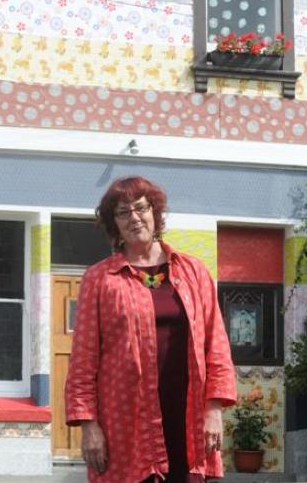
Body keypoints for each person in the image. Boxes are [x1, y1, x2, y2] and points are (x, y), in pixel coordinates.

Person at [65, 176, 237, 483]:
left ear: (155, 212)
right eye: (122, 212)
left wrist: (214, 410)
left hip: (187, 417)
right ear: (113, 224)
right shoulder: (100, 279)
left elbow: (217, 345)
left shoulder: (193, 272)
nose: (134, 218)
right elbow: (83, 359)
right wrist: (89, 426)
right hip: (125, 422)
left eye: (140, 208)